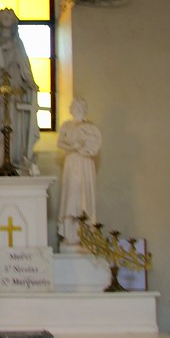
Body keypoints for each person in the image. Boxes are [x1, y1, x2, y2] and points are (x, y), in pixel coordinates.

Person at [0, 8, 40, 173]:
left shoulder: (19, 43)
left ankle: (15, 158)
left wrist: (31, 83)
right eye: (4, 16)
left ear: (14, 22)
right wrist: (2, 50)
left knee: (16, 122)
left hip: (16, 87)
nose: (7, 18)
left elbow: (25, 66)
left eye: (10, 16)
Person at [57, 98, 103, 250]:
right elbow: (60, 143)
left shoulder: (90, 128)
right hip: (72, 164)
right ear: (72, 110)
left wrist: (83, 148)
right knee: (71, 197)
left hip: (85, 164)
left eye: (80, 108)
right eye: (75, 108)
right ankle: (70, 235)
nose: (77, 110)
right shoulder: (67, 126)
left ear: (84, 110)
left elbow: (94, 146)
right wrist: (73, 147)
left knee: (85, 197)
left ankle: (87, 234)